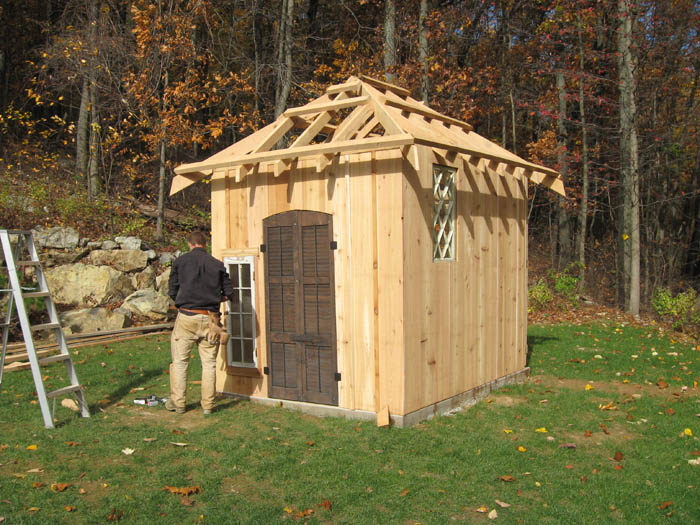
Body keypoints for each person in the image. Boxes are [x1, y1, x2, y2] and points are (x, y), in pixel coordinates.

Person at [166, 231, 233, 415]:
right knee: (209, 364)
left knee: (180, 362)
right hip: (211, 320)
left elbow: (172, 290)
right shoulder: (217, 264)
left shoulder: (180, 262)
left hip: (187, 317)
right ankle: (208, 406)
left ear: (190, 244)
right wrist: (215, 299)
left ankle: (179, 403)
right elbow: (229, 293)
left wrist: (182, 301)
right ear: (205, 244)